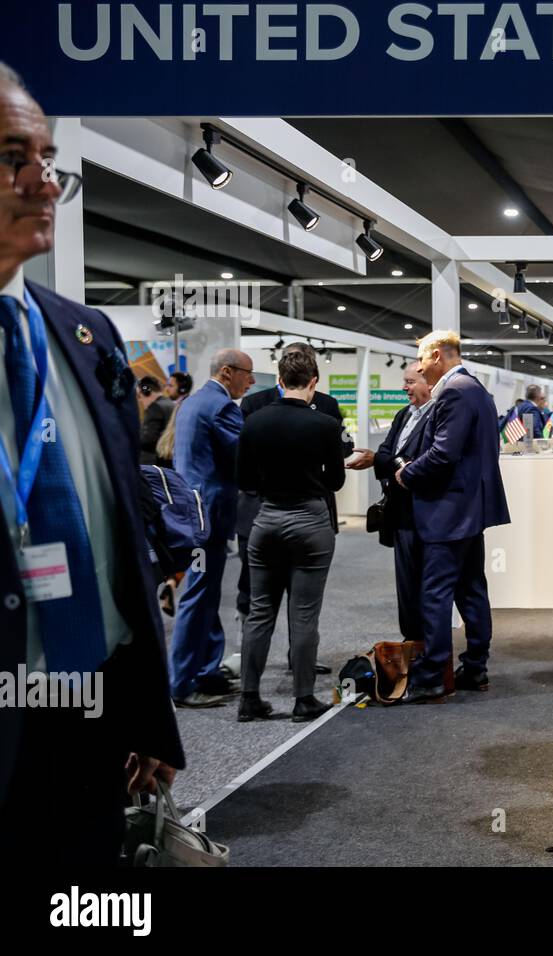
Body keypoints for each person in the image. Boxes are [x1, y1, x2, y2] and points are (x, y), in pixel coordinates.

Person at [0, 61, 182, 864]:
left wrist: (146, 714)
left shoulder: (85, 335)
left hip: (88, 706)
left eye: (47, 161)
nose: (42, 183)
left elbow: (121, 535)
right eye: (13, 156)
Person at [396, 331, 510, 702]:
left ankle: (433, 675)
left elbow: (444, 453)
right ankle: (475, 667)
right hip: (466, 511)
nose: (419, 367)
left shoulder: (455, 391)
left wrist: (407, 474)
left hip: (449, 510)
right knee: (470, 588)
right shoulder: (473, 388)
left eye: (422, 358)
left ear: (437, 354)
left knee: (436, 592)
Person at [236, 349, 345, 722]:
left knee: (259, 611)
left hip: (265, 520)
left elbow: (244, 480)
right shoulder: (325, 425)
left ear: (280, 382)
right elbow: (335, 481)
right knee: (303, 615)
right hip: (310, 521)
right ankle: (303, 700)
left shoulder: (254, 421)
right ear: (313, 382)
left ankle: (249, 698)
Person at [170, 347, 253, 706]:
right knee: (197, 595)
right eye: (246, 374)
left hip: (194, 513)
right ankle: (183, 683)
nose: (251, 382)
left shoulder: (192, 402)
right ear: (226, 372)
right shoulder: (220, 406)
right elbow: (247, 450)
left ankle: (207, 671)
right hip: (207, 516)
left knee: (205, 594)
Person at [345, 361, 434, 644]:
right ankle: (412, 646)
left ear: (428, 383)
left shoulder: (437, 416)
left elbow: (419, 461)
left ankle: (431, 653)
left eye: (409, 382)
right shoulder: (403, 415)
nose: (404, 387)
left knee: (428, 587)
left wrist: (382, 460)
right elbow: (387, 452)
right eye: (404, 382)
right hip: (401, 514)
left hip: (427, 514)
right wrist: (385, 460)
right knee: (407, 586)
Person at [137, 374, 174, 465]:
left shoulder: (155, 407)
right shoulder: (170, 404)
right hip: (167, 461)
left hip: (152, 462)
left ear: (147, 392)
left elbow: (147, 439)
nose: (140, 401)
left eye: (140, 396)